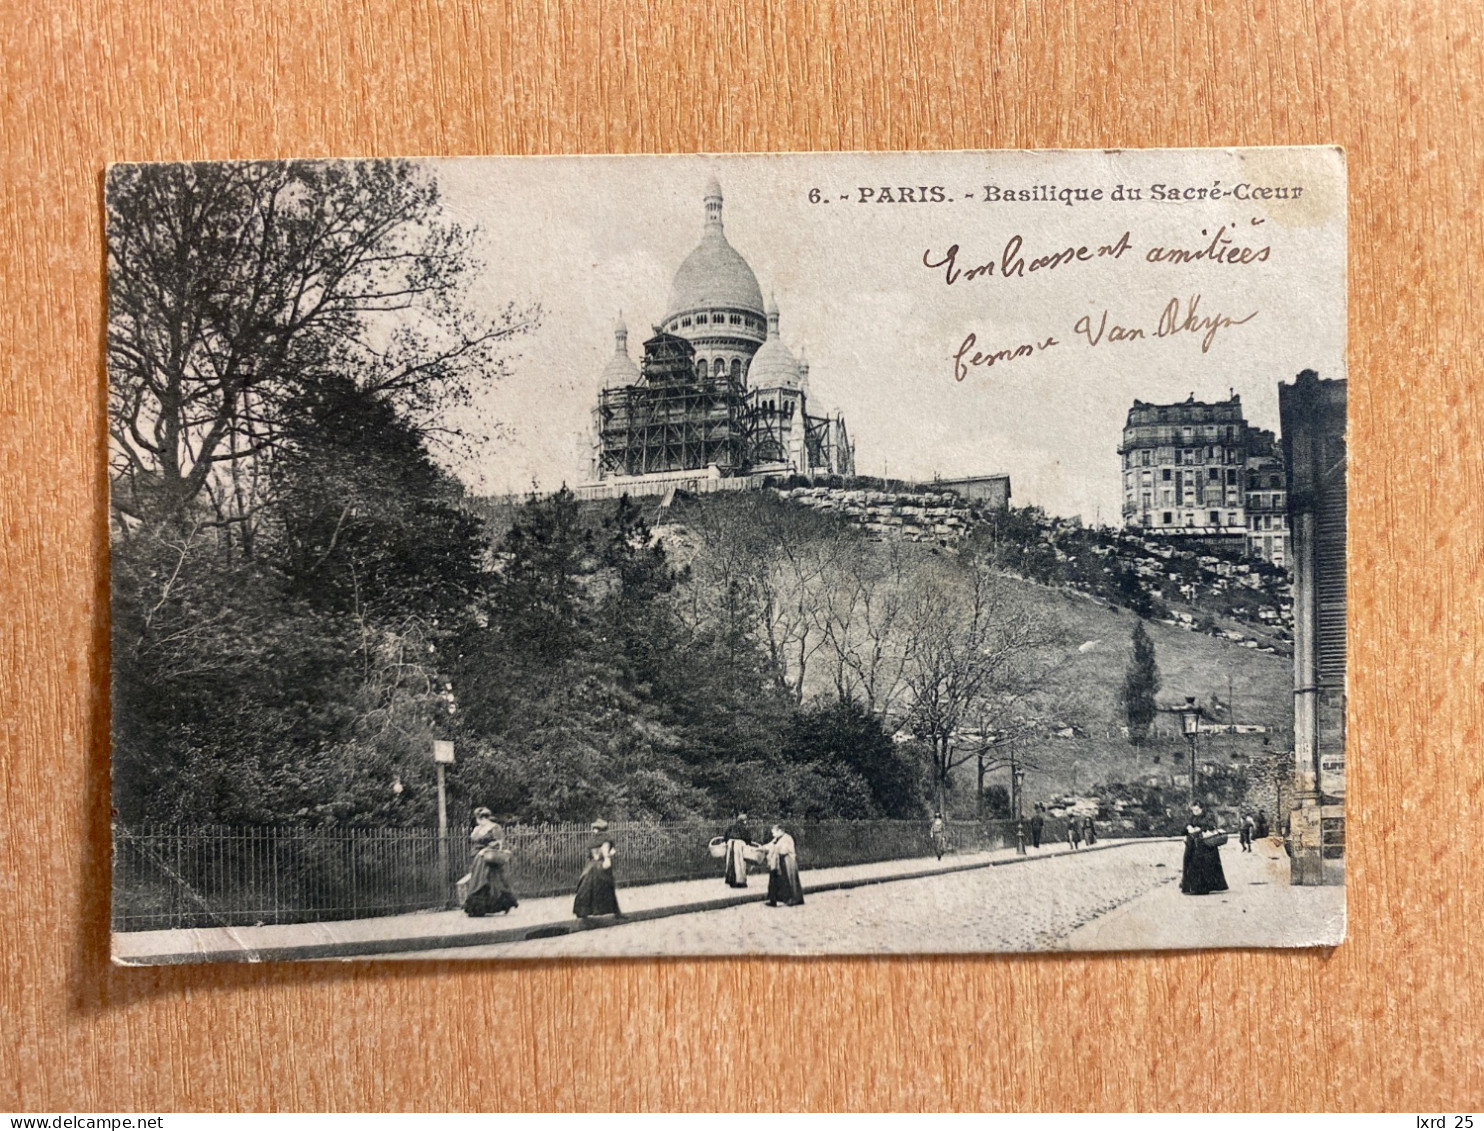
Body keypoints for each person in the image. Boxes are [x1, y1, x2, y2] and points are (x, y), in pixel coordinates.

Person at [463, 807, 518, 917]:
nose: (477, 821)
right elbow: (473, 840)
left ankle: (492, 906)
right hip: (477, 857)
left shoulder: (495, 828)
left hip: (488, 857)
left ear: (483, 818)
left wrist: (485, 849)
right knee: (485, 881)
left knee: (486, 881)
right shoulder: (478, 828)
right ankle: (481, 908)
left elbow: (500, 843)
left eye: (478, 819)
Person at [573, 819, 622, 919]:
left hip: (590, 866)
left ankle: (583, 911)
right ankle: (614, 911)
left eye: (595, 828)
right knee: (608, 886)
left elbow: (589, 856)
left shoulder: (591, 840)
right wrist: (609, 856)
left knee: (586, 887)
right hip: (601, 864)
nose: (594, 830)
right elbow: (605, 852)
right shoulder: (606, 839)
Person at [1180, 802, 1230, 895]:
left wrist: (1199, 829)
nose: (1195, 812)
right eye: (1193, 810)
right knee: (1189, 862)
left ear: (1202, 808)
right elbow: (1184, 828)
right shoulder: (1192, 817)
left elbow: (1211, 825)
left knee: (1203, 865)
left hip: (1205, 846)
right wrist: (1188, 827)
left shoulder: (1208, 815)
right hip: (1192, 844)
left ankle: (1202, 888)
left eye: (1197, 810)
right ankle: (1191, 887)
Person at [764, 824, 805, 907]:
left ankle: (794, 899)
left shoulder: (788, 838)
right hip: (778, 862)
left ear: (780, 831)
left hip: (787, 862)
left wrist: (773, 848)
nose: (772, 834)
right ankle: (774, 900)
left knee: (789, 880)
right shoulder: (776, 839)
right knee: (775, 880)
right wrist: (762, 848)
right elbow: (769, 845)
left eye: (774, 832)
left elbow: (784, 850)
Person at [723, 811, 753, 888]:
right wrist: (749, 845)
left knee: (730, 862)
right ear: (744, 821)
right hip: (739, 845)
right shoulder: (743, 828)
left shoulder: (731, 827)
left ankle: (731, 880)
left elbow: (725, 836)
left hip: (730, 844)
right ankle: (740, 882)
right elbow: (747, 839)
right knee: (740, 863)